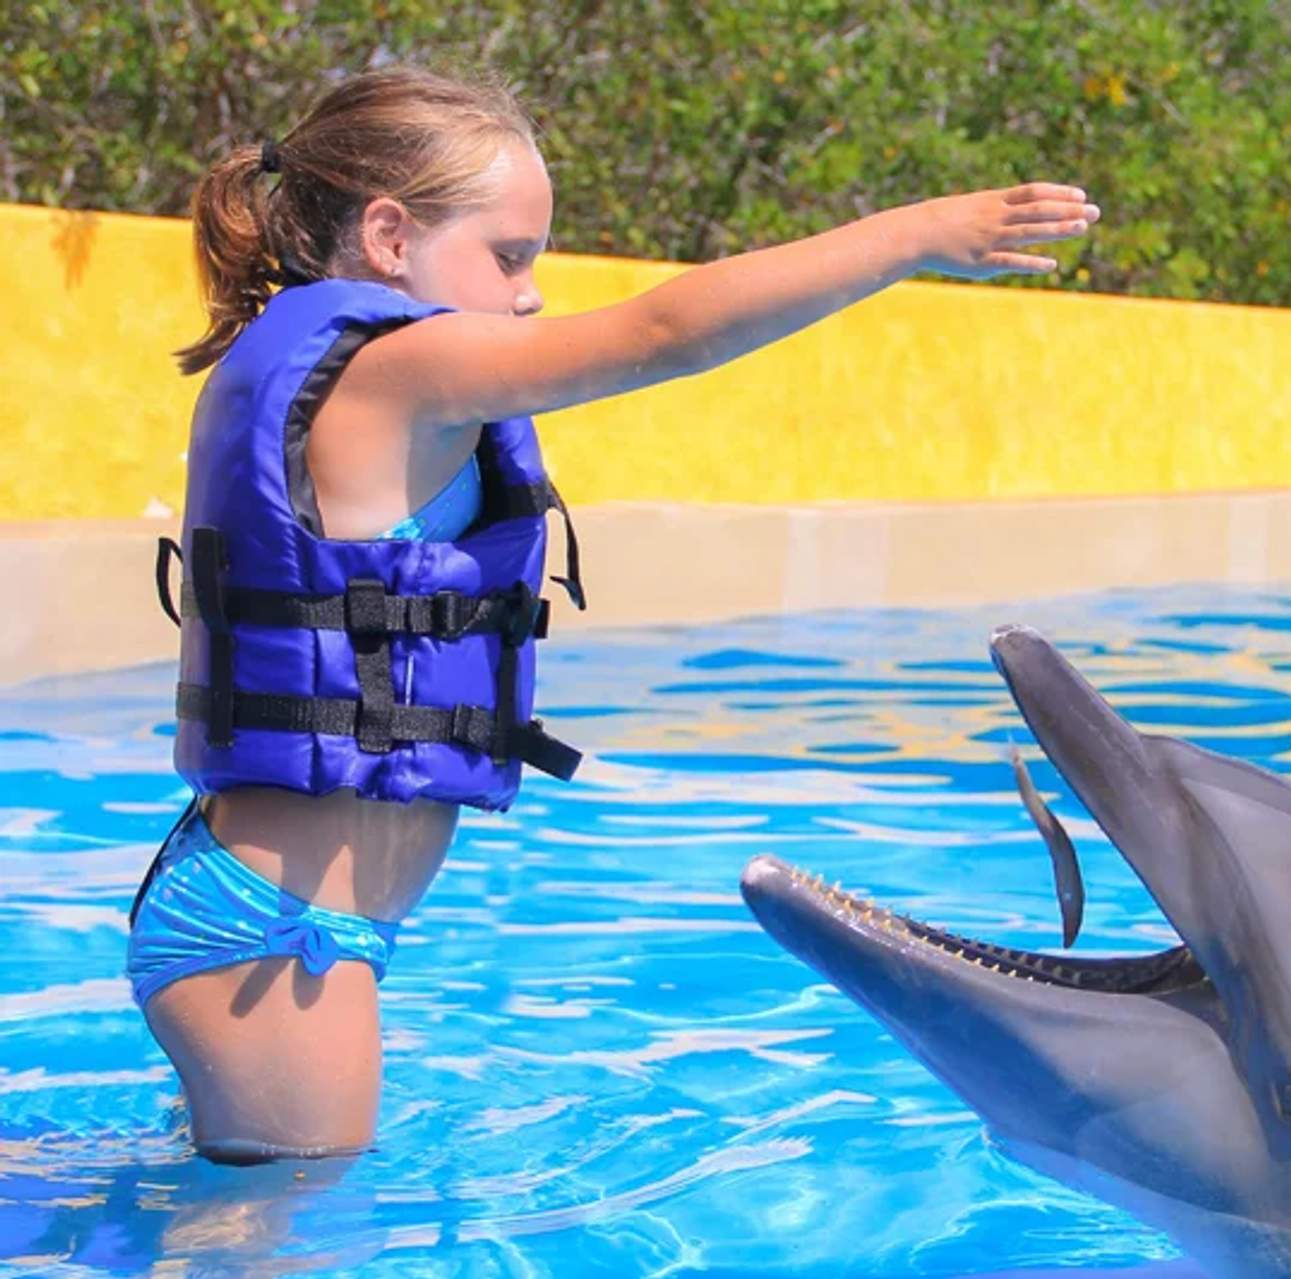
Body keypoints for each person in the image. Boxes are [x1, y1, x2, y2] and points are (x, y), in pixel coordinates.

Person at [129, 64, 1099, 1162]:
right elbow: (664, 331)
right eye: (509, 256)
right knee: (274, 1240)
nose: (532, 291)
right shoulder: (397, 368)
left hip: (259, 916)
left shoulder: (345, 365)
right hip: (281, 942)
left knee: (208, 1216)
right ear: (390, 237)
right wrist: (914, 236)